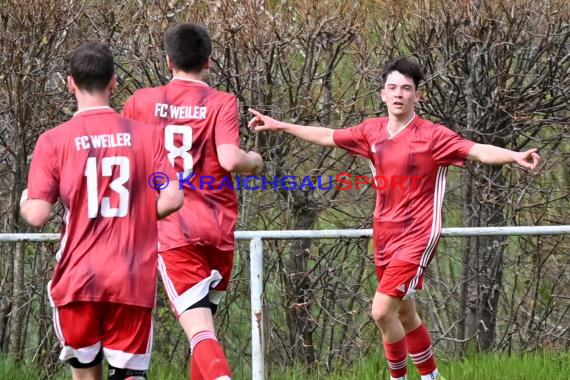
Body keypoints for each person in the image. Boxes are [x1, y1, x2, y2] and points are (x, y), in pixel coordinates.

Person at [248, 57, 540, 380]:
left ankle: (397, 377)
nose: (399, 94)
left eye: (406, 88)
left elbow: (476, 150)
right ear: (382, 94)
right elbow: (328, 135)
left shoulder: (432, 136)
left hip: (418, 237)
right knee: (404, 311)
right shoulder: (371, 131)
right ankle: (431, 376)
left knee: (381, 310)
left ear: (418, 95)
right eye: (392, 88)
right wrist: (280, 125)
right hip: (384, 236)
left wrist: (514, 156)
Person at [20, 42, 183, 380]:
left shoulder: (54, 140)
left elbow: (36, 214)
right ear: (114, 83)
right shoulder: (147, 136)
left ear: (70, 83)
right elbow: (173, 198)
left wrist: (24, 200)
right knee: (128, 375)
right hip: (131, 277)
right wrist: (137, 212)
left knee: (85, 373)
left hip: (78, 277)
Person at [123, 23, 263, 380]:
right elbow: (231, 159)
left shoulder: (141, 101)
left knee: (200, 331)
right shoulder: (220, 102)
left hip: (173, 230)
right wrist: (255, 160)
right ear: (210, 62)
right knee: (203, 331)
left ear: (169, 61)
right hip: (217, 230)